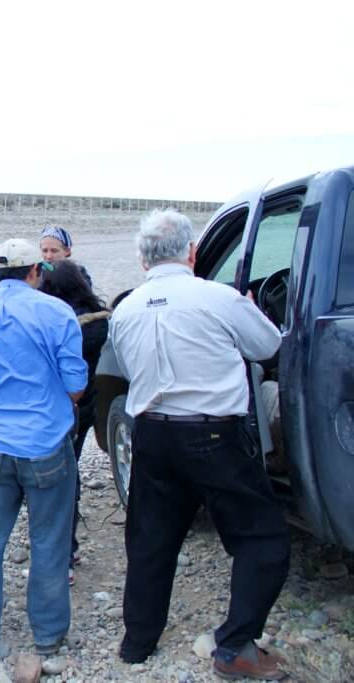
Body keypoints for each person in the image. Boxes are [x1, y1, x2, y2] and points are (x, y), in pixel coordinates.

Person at [110, 209, 289, 680]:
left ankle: (137, 644)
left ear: (142, 259)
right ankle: (234, 645)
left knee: (150, 541)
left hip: (151, 434)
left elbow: (132, 370)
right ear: (190, 252)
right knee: (260, 537)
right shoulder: (219, 298)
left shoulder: (125, 309)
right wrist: (248, 307)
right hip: (214, 435)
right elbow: (269, 347)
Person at [0, 239, 88, 658]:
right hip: (46, 445)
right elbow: (76, 387)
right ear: (35, 271)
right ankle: (47, 638)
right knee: (49, 543)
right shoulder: (57, 313)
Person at [39, 259, 110, 581]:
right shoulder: (98, 323)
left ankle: (62, 555)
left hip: (57, 412)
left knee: (56, 482)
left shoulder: (57, 324)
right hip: (85, 411)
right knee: (70, 474)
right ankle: (70, 546)